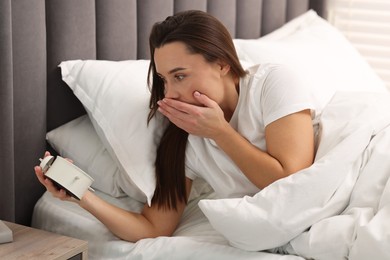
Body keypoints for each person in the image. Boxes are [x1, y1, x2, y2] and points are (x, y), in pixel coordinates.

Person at [35, 10, 316, 242]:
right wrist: (81, 197)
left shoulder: (272, 83)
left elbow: (294, 183)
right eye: (164, 80)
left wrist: (221, 132)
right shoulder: (185, 140)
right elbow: (153, 228)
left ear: (221, 64)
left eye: (179, 76)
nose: (169, 94)